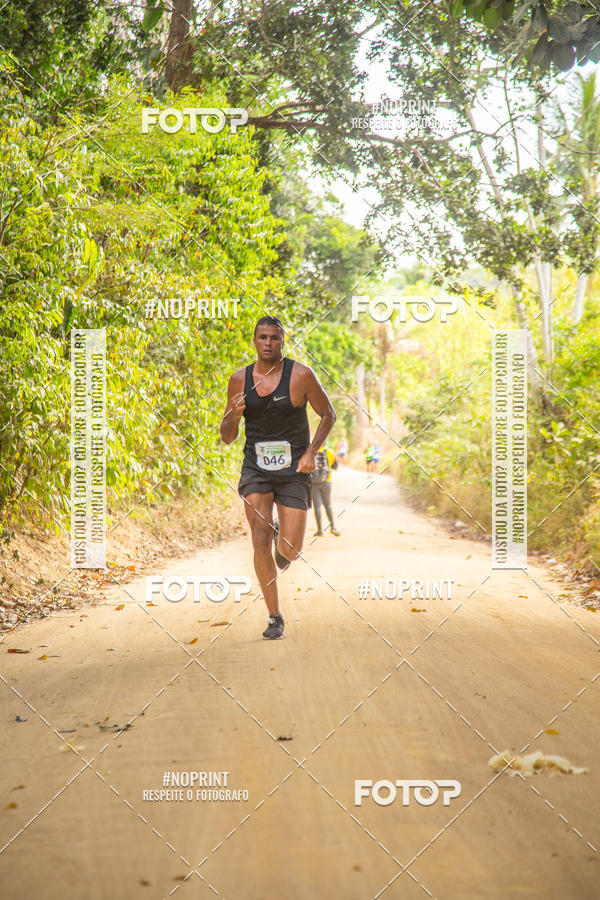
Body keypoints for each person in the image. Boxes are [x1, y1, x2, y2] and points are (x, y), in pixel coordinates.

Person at [219, 315, 336, 639]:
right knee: (258, 532)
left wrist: (312, 452)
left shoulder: (301, 375)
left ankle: (280, 550)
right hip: (256, 468)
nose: (268, 343)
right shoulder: (238, 380)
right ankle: (274, 616)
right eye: (262, 337)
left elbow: (329, 414)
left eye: (274, 337)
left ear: (282, 341)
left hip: (293, 470)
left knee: (290, 550)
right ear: (254, 341)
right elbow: (227, 436)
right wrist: (233, 414)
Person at [311, 444, 341, 537]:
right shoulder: (331, 452)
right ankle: (333, 528)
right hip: (327, 482)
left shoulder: (311, 452)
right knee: (327, 505)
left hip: (314, 483)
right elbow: (335, 467)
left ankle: (320, 530)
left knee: (317, 507)